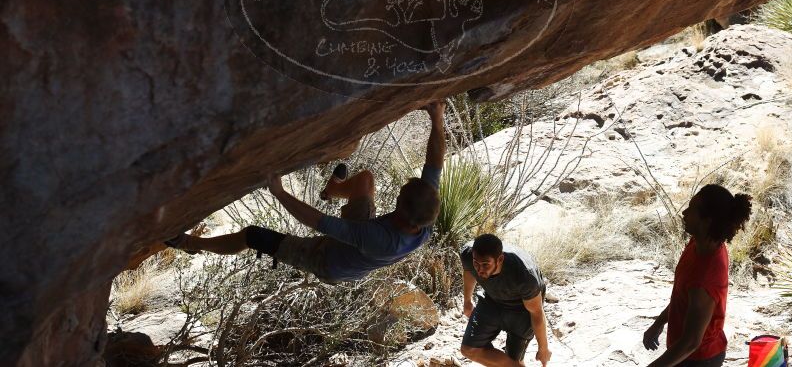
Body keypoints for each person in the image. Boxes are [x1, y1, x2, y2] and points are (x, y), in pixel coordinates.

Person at [165, 101, 445, 283]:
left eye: (400, 195)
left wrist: (279, 192)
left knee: (253, 236)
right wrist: (437, 119)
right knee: (365, 181)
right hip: (361, 240)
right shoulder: (423, 212)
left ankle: (190, 244)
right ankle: (332, 189)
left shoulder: (378, 238)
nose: (399, 193)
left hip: (329, 262)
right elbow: (434, 162)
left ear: (401, 210)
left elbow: (317, 222)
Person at [643, 184, 752, 367]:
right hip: (686, 354)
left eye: (691, 210)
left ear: (707, 221)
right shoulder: (699, 243)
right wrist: (659, 322)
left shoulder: (705, 277)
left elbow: (692, 342)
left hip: (699, 360)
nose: (684, 213)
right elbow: (682, 296)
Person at [460, 233, 551, 367]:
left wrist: (543, 348)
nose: (480, 269)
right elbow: (469, 270)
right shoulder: (468, 254)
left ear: (500, 259)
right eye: (476, 263)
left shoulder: (524, 275)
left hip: (522, 309)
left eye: (486, 264)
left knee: (514, 357)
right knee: (469, 350)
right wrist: (467, 301)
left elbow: (536, 312)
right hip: (492, 300)